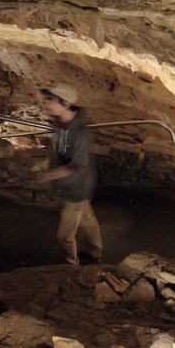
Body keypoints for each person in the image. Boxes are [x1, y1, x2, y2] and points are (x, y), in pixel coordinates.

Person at [37, 83, 103, 265]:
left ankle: (71, 266)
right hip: (71, 186)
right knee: (87, 220)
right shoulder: (61, 124)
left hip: (76, 187)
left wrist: (50, 175)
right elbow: (60, 154)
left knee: (64, 236)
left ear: (65, 104)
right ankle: (95, 253)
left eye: (50, 100)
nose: (46, 103)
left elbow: (78, 165)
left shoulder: (79, 132)